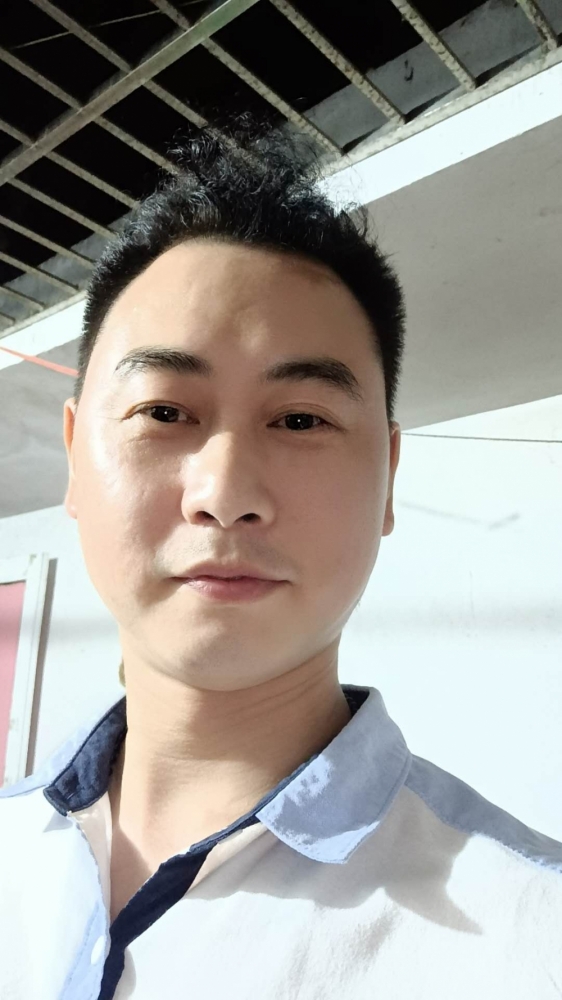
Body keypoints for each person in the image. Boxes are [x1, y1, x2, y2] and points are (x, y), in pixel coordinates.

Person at [1, 118, 561, 1000]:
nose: (225, 494)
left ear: (388, 479)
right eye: (164, 412)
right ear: (76, 457)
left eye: (301, 419)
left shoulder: (531, 940)